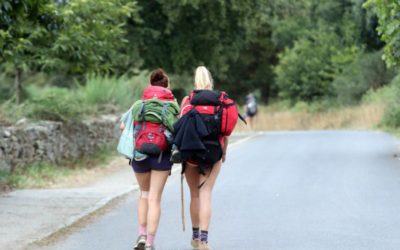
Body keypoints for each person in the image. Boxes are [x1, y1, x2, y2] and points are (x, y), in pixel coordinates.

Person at [176, 66, 235, 250]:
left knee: (194, 194)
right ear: (211, 81)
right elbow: (225, 132)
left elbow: (181, 126)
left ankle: (194, 238)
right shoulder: (221, 101)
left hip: (191, 154)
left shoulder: (188, 100)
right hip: (212, 152)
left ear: (195, 82)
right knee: (206, 193)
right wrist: (224, 151)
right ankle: (204, 240)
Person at [121, 69, 177, 250]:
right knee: (154, 199)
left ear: (150, 84)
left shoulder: (139, 104)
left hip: (140, 155)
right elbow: (177, 129)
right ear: (167, 86)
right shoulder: (171, 105)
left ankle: (141, 236)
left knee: (144, 194)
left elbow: (123, 125)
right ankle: (151, 243)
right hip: (161, 156)